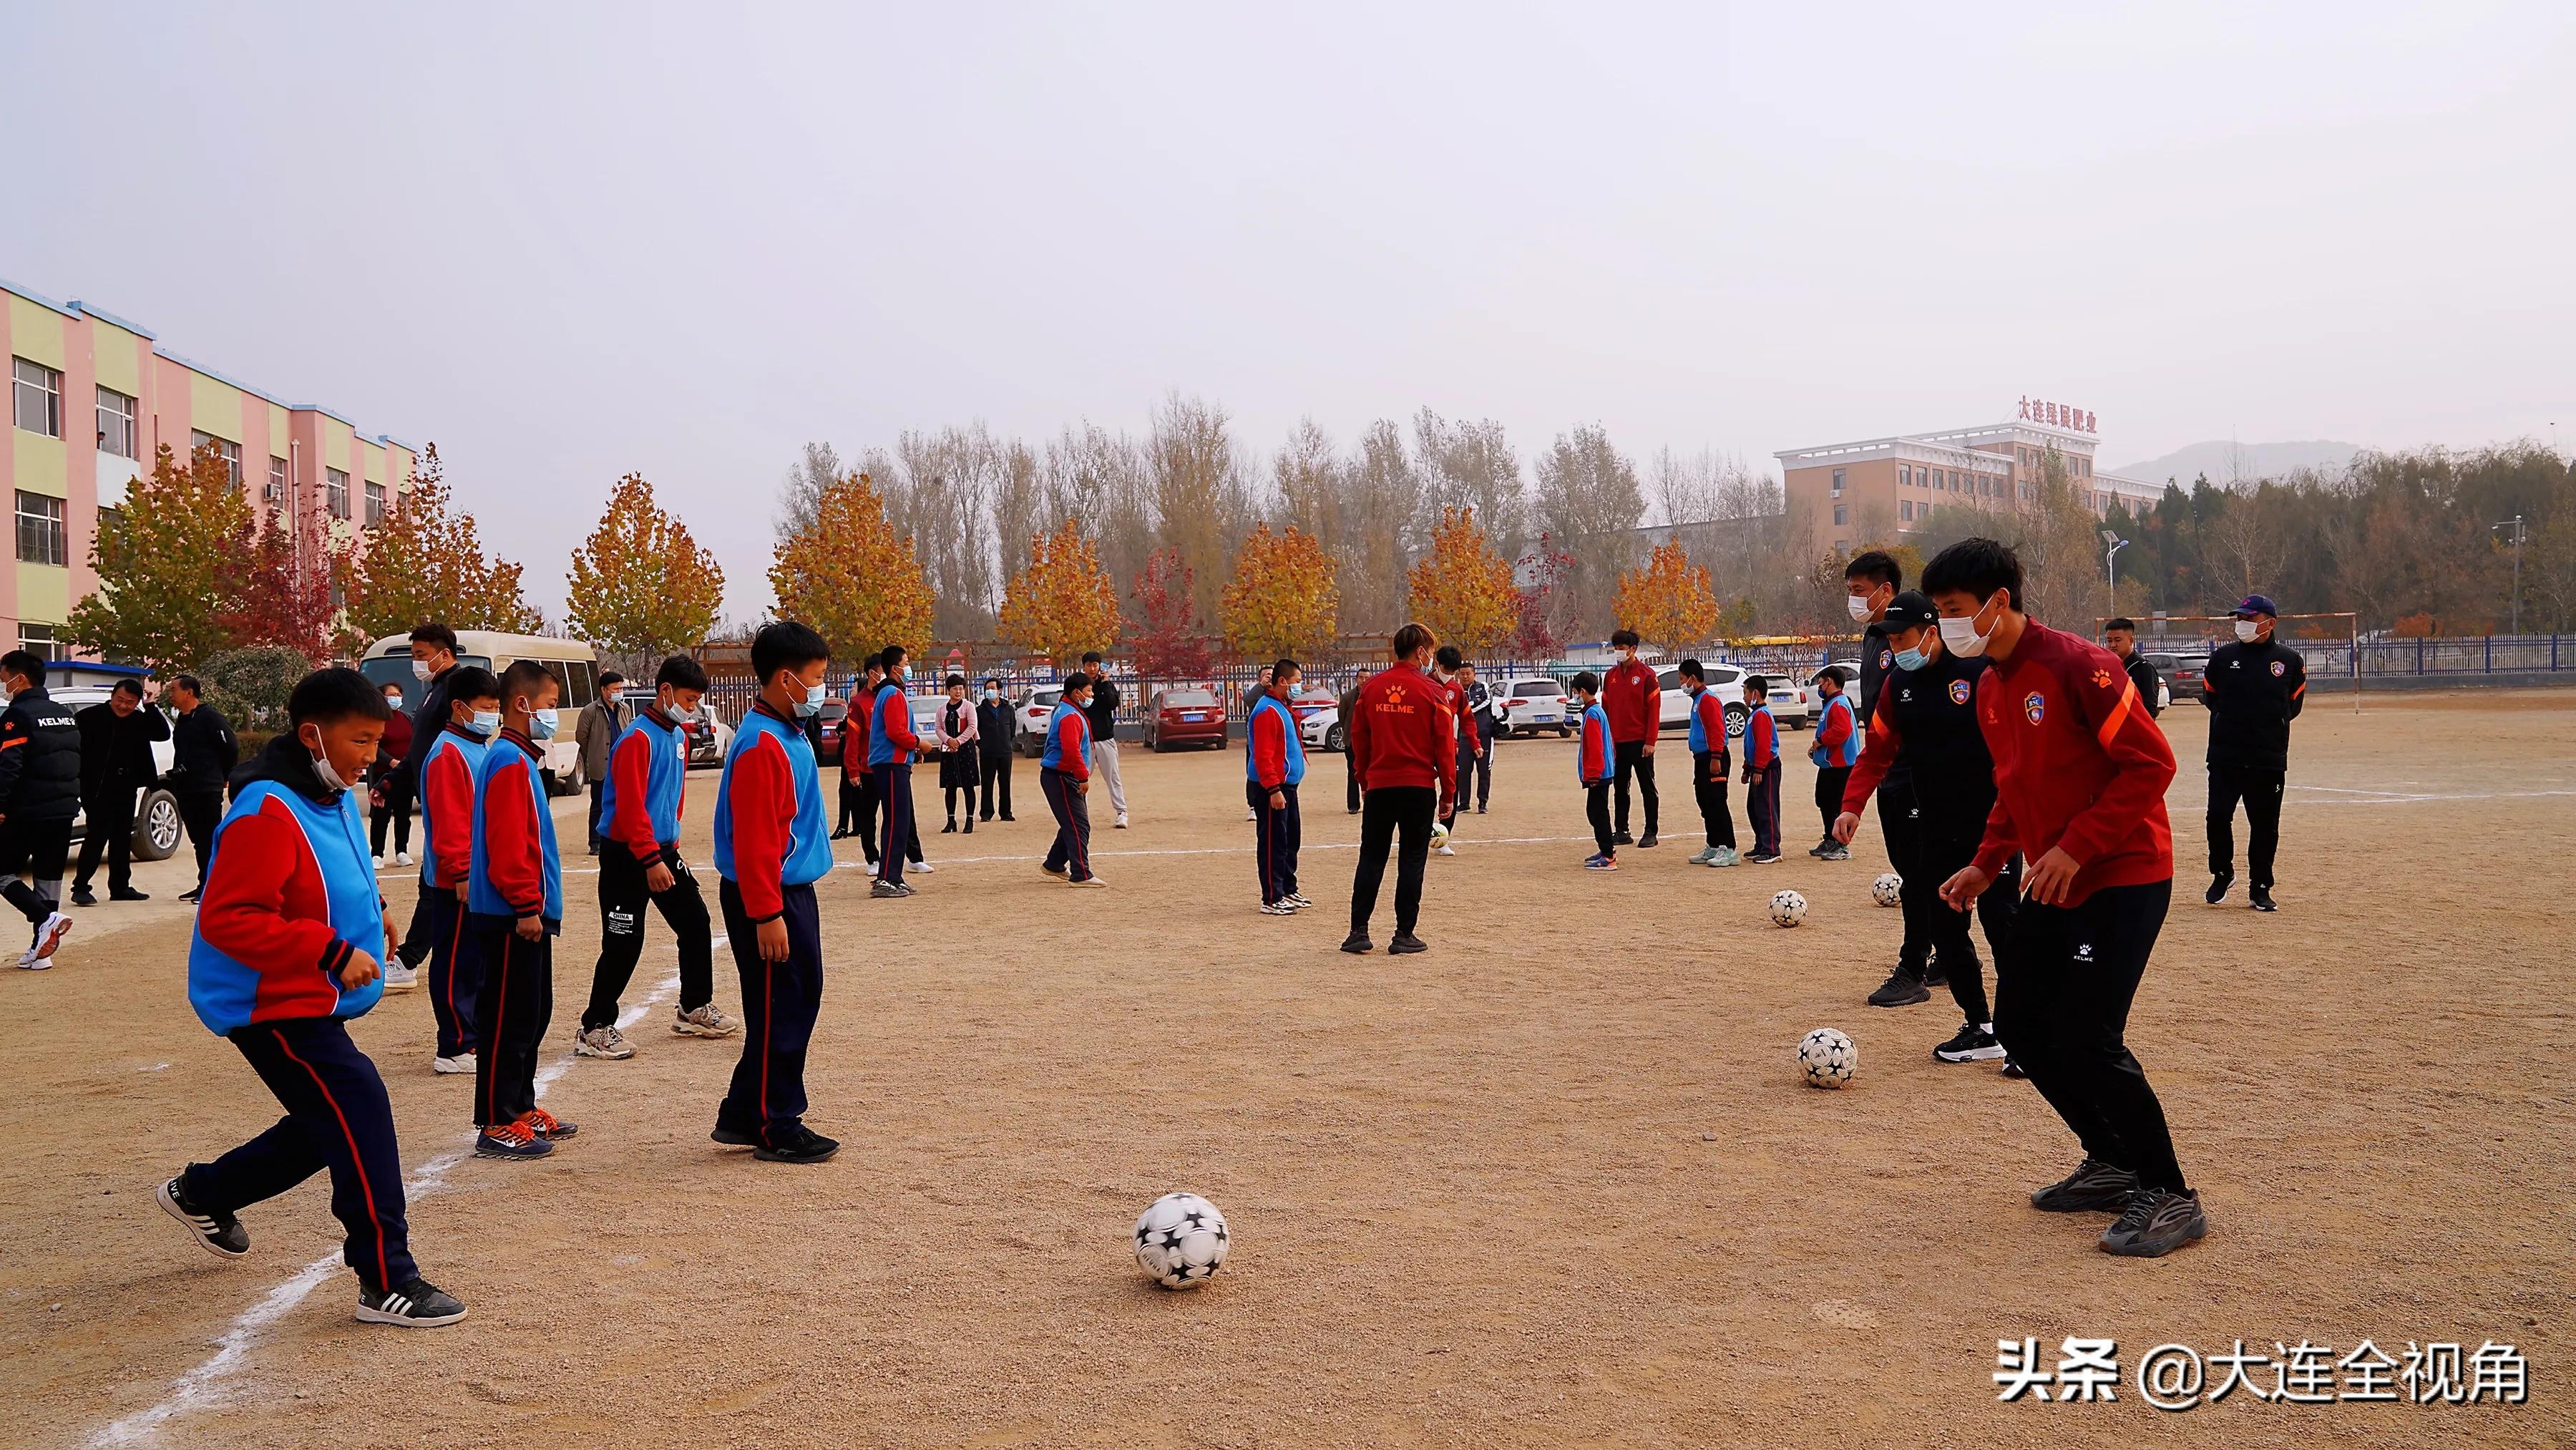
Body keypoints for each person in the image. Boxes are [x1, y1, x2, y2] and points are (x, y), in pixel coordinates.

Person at [164, 666, 467, 1328]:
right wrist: (332, 951)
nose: (373, 756)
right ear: (311, 736)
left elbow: (336, 869)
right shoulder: (267, 806)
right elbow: (228, 917)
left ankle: (203, 1192)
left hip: (305, 992)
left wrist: (379, 909)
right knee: (358, 1104)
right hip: (266, 1002)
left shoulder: (326, 794)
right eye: (361, 740)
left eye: (377, 741)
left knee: (324, 1124)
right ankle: (387, 1279)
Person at [1924, 537, 2202, 1257]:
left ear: (1998, 603)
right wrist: (1987, 865)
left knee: (2087, 1034)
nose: (1946, 626)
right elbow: (2014, 791)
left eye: (1954, 611)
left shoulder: (2083, 665)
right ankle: (2111, 1159)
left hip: (2122, 873)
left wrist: (2077, 844)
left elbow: (2152, 765)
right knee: (2019, 1023)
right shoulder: (1990, 687)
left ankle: (2169, 1192)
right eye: (1941, 614)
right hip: (2054, 879)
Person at [1832, 590, 2018, 1057]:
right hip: (1937, 827)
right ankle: (1981, 1027)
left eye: (1903, 638)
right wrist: (1852, 805)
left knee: (2003, 927)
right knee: (1947, 930)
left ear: (1931, 632)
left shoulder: (1978, 673)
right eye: (1890, 641)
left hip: (1991, 826)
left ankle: (2026, 1036)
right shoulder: (1899, 686)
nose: (1896, 650)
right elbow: (1876, 752)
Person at [711, 621, 841, 1162]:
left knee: (796, 998)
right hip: (768, 895)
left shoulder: (786, 732)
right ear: (785, 679)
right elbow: (758, 838)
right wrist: (766, 912)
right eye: (815, 680)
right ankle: (775, 1121)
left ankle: (745, 1111)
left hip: (788, 890)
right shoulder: (764, 744)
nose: (821, 692)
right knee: (780, 1007)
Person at [577, 653, 734, 1059]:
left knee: (696, 924)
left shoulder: (678, 737)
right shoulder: (636, 739)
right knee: (624, 942)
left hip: (663, 850)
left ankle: (692, 1006)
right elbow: (630, 807)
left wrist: (670, 845)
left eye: (697, 699)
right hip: (628, 855)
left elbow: (670, 797)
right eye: (687, 698)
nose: (693, 707)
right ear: (665, 692)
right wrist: (650, 860)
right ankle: (594, 1026)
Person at [464, 660, 573, 1161]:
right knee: (508, 1016)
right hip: (511, 916)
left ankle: (521, 1105)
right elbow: (509, 845)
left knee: (532, 1013)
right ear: (522, 704)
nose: (553, 715)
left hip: (526, 913)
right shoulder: (508, 760)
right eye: (549, 705)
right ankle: (496, 1117)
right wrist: (527, 904)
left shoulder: (521, 759)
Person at [1847, 550, 1939, 1005]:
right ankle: (1944, 950)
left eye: (1860, 592)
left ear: (1887, 590)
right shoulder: (1872, 639)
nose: (1854, 601)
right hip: (1889, 771)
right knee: (1914, 869)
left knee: (1920, 873)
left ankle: (1914, 966)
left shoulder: (1917, 645)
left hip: (1916, 773)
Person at [1342, 623, 1455, 955]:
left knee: (1371, 857)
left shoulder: (1372, 689)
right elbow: (1445, 748)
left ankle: (1358, 931)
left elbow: (1359, 741)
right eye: (1430, 651)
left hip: (1380, 786)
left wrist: (1364, 780)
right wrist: (1448, 793)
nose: (1431, 658)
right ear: (1421, 651)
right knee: (1412, 859)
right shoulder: (1432, 691)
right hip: (1418, 788)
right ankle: (1404, 934)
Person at [414, 668, 500, 1076]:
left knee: (477, 960)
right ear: (459, 707)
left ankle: (472, 1036)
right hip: (456, 881)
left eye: (496, 708)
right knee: (455, 962)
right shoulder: (448, 753)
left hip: (478, 878)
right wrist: (463, 874)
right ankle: (453, 1044)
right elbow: (450, 824)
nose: (492, 716)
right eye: (486, 708)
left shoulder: (478, 746)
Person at [2201, 594, 2303, 913]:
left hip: (2267, 759)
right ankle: (2222, 872)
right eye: (2239, 618)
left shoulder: (2289, 661)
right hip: (2225, 756)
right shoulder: (2222, 658)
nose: (2242, 624)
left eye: (2249, 618)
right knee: (2217, 817)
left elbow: (2293, 705)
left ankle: (2260, 887)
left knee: (2265, 826)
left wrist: (2266, 724)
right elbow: (2210, 696)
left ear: (2270, 623)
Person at [385, 623, 462, 963]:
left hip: (444, 794)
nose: (416, 663)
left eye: (421, 655)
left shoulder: (454, 689)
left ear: (444, 654)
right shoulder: (434, 690)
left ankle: (409, 958)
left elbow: (444, 747)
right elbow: (421, 746)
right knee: (432, 879)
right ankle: (415, 956)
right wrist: (393, 778)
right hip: (428, 793)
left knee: (437, 879)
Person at [0, 651, 81, 968]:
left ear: (21, 678)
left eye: (4, 676)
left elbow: (9, 766)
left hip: (28, 810)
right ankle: (41, 950)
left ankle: (45, 918)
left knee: (3, 872)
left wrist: (1, 804)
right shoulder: (65, 714)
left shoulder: (16, 716)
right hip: (63, 810)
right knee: (49, 880)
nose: (4, 683)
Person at [70, 677, 168, 907]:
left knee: (122, 837)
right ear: (112, 696)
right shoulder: (89, 717)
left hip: (126, 787)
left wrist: (151, 705)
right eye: (120, 700)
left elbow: (162, 733)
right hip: (96, 788)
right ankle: (81, 887)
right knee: (97, 835)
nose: (123, 706)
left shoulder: (139, 719)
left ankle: (120, 886)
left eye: (130, 702)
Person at [163, 674, 238, 905]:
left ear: (189, 693)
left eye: (173, 689)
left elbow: (231, 747)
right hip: (187, 788)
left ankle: (214, 886)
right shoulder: (183, 721)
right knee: (198, 840)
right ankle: (203, 882)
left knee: (209, 837)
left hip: (207, 787)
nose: (170, 694)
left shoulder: (210, 718)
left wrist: (225, 775)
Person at [1249, 658, 1307, 913]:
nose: (1300, 687)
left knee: (1291, 838)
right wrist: (1273, 789)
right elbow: (1262, 754)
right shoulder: (1267, 710)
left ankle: (1288, 889)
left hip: (1288, 787)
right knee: (1273, 841)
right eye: (1296, 682)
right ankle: (1272, 897)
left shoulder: (1282, 706)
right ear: (1283, 682)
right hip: (1273, 788)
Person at [868, 643, 924, 898]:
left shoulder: (892, 693)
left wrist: (912, 751)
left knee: (900, 820)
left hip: (896, 763)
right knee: (895, 821)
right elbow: (896, 731)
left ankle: (894, 875)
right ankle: (887, 879)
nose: (909, 667)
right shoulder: (892, 694)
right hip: (890, 764)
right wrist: (918, 743)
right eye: (907, 662)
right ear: (895, 668)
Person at [1038, 673, 1102, 887]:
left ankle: (1054, 864)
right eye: (1089, 691)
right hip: (1061, 776)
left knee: (1072, 822)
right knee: (1078, 825)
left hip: (1060, 775)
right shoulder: (1070, 716)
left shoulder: (1068, 710)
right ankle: (1081, 873)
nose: (1091, 695)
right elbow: (1071, 751)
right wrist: (1083, 777)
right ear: (1076, 693)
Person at [1599, 629, 1660, 847]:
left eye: (1621, 648)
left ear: (1633, 649)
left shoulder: (1646, 675)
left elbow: (1654, 710)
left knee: (1647, 787)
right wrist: (1607, 741)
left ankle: (1651, 831)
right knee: (1620, 787)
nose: (1617, 652)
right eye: (1615, 648)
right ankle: (1622, 830)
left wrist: (1650, 741)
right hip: (1617, 743)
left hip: (1640, 742)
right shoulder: (1610, 676)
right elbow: (1605, 710)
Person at [1678, 660, 1737, 867]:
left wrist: (1716, 757)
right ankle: (1713, 844)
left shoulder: (1708, 700)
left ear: (1693, 678)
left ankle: (1728, 849)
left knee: (1717, 801)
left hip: (1714, 758)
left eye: (1682, 679)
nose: (1681, 684)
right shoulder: (1698, 699)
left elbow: (1717, 731)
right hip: (1701, 758)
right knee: (1705, 802)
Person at [574, 670, 630, 855]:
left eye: (621, 688)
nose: (619, 691)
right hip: (601, 765)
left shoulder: (624, 709)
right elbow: (582, 737)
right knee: (598, 804)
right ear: (604, 690)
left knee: (623, 804)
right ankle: (595, 842)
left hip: (622, 766)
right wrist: (593, 754)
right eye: (615, 688)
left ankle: (619, 838)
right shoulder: (591, 711)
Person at [1806, 670, 1859, 861]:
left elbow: (1842, 731)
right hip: (1830, 765)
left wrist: (1820, 740)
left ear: (1829, 682)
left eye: (1821, 683)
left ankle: (1842, 845)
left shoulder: (1838, 704)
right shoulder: (1832, 704)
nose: (1819, 688)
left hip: (1841, 766)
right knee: (1824, 800)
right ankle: (1830, 838)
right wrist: (1817, 749)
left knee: (1836, 804)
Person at [365, 681, 415, 870]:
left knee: (404, 815)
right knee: (381, 816)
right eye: (391, 695)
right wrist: (391, 762)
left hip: (405, 776)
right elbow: (374, 745)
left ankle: (402, 851)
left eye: (398, 695)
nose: (396, 698)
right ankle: (377, 854)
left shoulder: (407, 718)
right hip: (383, 775)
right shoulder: (377, 721)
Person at [1572, 673, 1616, 870]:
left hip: (1599, 774)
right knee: (1596, 811)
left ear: (1582, 692)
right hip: (1603, 772)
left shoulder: (1592, 715)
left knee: (1597, 813)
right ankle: (1606, 849)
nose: (1575, 696)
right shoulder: (1597, 711)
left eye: (1575, 692)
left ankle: (1608, 857)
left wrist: (1593, 774)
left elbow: (1596, 748)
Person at [1079, 650, 1128, 828]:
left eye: (1095, 665)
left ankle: (1121, 812)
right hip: (1085, 741)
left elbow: (1112, 704)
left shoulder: (1106, 685)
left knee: (1113, 777)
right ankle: (1079, 814)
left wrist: (1105, 684)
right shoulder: (1079, 686)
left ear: (1100, 666)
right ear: (1083, 666)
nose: (1092, 668)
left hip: (1105, 738)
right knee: (1080, 778)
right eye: (1089, 665)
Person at [1740, 675, 1782, 864]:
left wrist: (1758, 769)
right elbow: (1752, 745)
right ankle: (1761, 844)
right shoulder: (1754, 715)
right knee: (1754, 808)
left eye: (1745, 693)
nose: (1743, 698)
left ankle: (1772, 849)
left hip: (1767, 769)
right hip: (1757, 768)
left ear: (1755, 693)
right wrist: (1747, 769)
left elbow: (1764, 746)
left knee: (1767, 808)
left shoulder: (1762, 715)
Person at [1431, 645, 1468, 852]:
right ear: (1437, 664)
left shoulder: (1456, 689)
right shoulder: (1424, 685)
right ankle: (1415, 835)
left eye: (1453, 673)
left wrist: (1475, 743)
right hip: (1425, 750)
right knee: (1422, 793)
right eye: (1447, 671)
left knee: (1452, 791)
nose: (1449, 676)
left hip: (1449, 749)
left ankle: (1443, 838)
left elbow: (1466, 717)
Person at [935, 674, 980, 833]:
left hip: (965, 749)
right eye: (955, 689)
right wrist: (949, 740)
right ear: (948, 690)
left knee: (968, 786)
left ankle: (969, 820)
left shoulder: (969, 706)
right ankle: (951, 820)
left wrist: (958, 741)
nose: (958, 692)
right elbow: (938, 728)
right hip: (948, 750)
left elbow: (972, 726)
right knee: (950, 787)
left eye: (961, 689)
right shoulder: (941, 709)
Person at [2102, 618, 2163, 718]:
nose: (2112, 645)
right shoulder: (2104, 668)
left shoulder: (2144, 668)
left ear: (2131, 641)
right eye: (2109, 640)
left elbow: (2149, 709)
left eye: (2117, 640)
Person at [832, 678, 868, 841]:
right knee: (847, 792)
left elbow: (853, 731)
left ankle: (848, 826)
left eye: (854, 686)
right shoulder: (852, 706)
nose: (851, 689)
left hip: (854, 758)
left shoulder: (859, 706)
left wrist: (845, 731)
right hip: (846, 757)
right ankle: (850, 825)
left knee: (851, 792)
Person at [1458, 661, 1495, 814]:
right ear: (1458, 675)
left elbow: (1486, 701)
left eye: (1468, 674)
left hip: (1484, 735)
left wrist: (1466, 710)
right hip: (1464, 737)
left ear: (1474, 674)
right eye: (1462, 674)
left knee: (1484, 770)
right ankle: (1464, 802)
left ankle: (1482, 802)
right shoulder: (1456, 690)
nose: (1465, 677)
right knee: (1463, 771)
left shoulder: (1483, 687)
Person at [975, 678, 1015, 822]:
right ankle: (986, 812)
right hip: (987, 752)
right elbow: (976, 730)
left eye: (993, 688)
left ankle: (1006, 813)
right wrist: (982, 745)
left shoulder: (1008, 709)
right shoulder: (979, 710)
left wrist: (1006, 743)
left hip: (1005, 751)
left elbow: (1011, 729)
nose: (990, 691)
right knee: (987, 783)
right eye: (987, 688)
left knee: (1005, 783)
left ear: (1000, 690)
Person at [1243, 664, 1274, 823]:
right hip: (1256, 742)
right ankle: (1253, 806)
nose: (1270, 677)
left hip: (1274, 740)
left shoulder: (1277, 692)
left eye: (1272, 674)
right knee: (1254, 773)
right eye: (1266, 675)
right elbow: (1247, 700)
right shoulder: (1256, 694)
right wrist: (1262, 686)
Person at [1337, 671, 1367, 814]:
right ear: (1356, 679)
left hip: (1369, 741)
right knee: (1353, 772)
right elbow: (1342, 718)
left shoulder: (1373, 695)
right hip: (1352, 742)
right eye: (1361, 678)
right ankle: (1353, 805)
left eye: (1367, 678)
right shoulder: (1347, 698)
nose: (1364, 680)